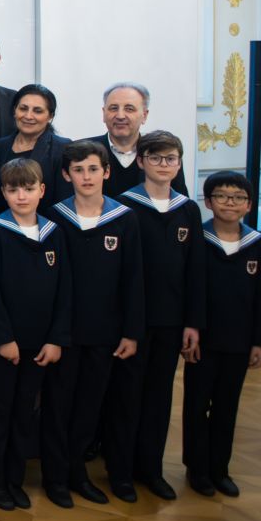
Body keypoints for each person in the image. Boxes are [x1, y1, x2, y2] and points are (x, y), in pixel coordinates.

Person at [39, 141, 143, 509]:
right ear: (66, 175)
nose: (86, 177)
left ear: (107, 172)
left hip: (105, 333)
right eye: (78, 170)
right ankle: (54, 478)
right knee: (57, 405)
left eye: (93, 169)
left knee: (89, 406)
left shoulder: (124, 218)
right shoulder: (53, 218)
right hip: (62, 332)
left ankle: (77, 473)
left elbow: (133, 281)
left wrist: (131, 331)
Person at [107, 130, 204, 502]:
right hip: (133, 322)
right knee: (126, 397)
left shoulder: (188, 210)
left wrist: (193, 322)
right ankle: (121, 473)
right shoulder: (124, 207)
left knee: (159, 398)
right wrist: (127, 323)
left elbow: (196, 272)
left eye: (171, 159)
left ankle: (151, 469)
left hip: (171, 321)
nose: (164, 165)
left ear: (178, 165)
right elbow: (121, 274)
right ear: (143, 161)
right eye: (157, 158)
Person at [0, 157, 69, 510]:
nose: (21, 196)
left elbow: (65, 291)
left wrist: (56, 338)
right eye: (13, 189)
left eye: (28, 189)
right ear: (3, 193)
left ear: (42, 191)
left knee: (24, 415)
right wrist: (3, 339)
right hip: (5, 344)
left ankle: (14, 479)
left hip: (40, 344)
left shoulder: (54, 233)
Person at [183, 171, 261, 498]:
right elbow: (190, 290)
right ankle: (197, 468)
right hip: (203, 340)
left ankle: (220, 468)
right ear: (208, 202)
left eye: (237, 198)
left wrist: (260, 340)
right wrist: (190, 327)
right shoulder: (198, 238)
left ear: (248, 205)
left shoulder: (256, 242)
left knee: (226, 406)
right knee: (196, 406)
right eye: (221, 196)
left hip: (239, 340)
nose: (229, 203)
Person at [90, 82, 189, 197]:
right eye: (113, 108)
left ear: (144, 115)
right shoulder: (86, 152)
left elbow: (180, 204)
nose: (120, 116)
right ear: (104, 113)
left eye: (129, 109)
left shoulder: (164, 154)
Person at [0, 84, 73, 207]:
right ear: (15, 110)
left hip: (46, 223)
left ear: (50, 116)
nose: (28, 116)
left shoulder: (62, 148)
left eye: (38, 111)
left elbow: (64, 200)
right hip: (1, 222)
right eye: (23, 108)